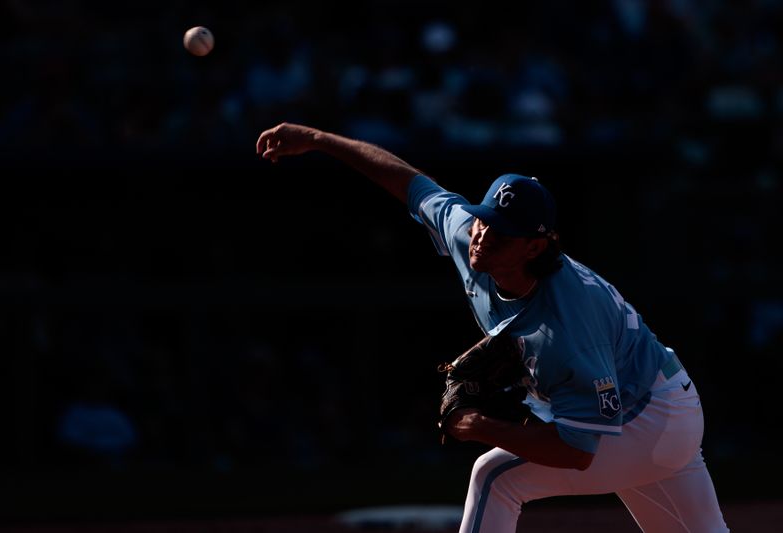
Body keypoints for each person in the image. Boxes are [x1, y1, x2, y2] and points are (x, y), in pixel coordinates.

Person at [255, 122, 729, 532]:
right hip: (659, 400)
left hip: (646, 418)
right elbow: (407, 181)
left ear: (535, 247)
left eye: (501, 233)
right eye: (484, 220)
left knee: (495, 477)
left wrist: (480, 426)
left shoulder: (563, 322)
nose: (483, 235)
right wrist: (317, 139)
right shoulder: (473, 236)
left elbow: (577, 451)